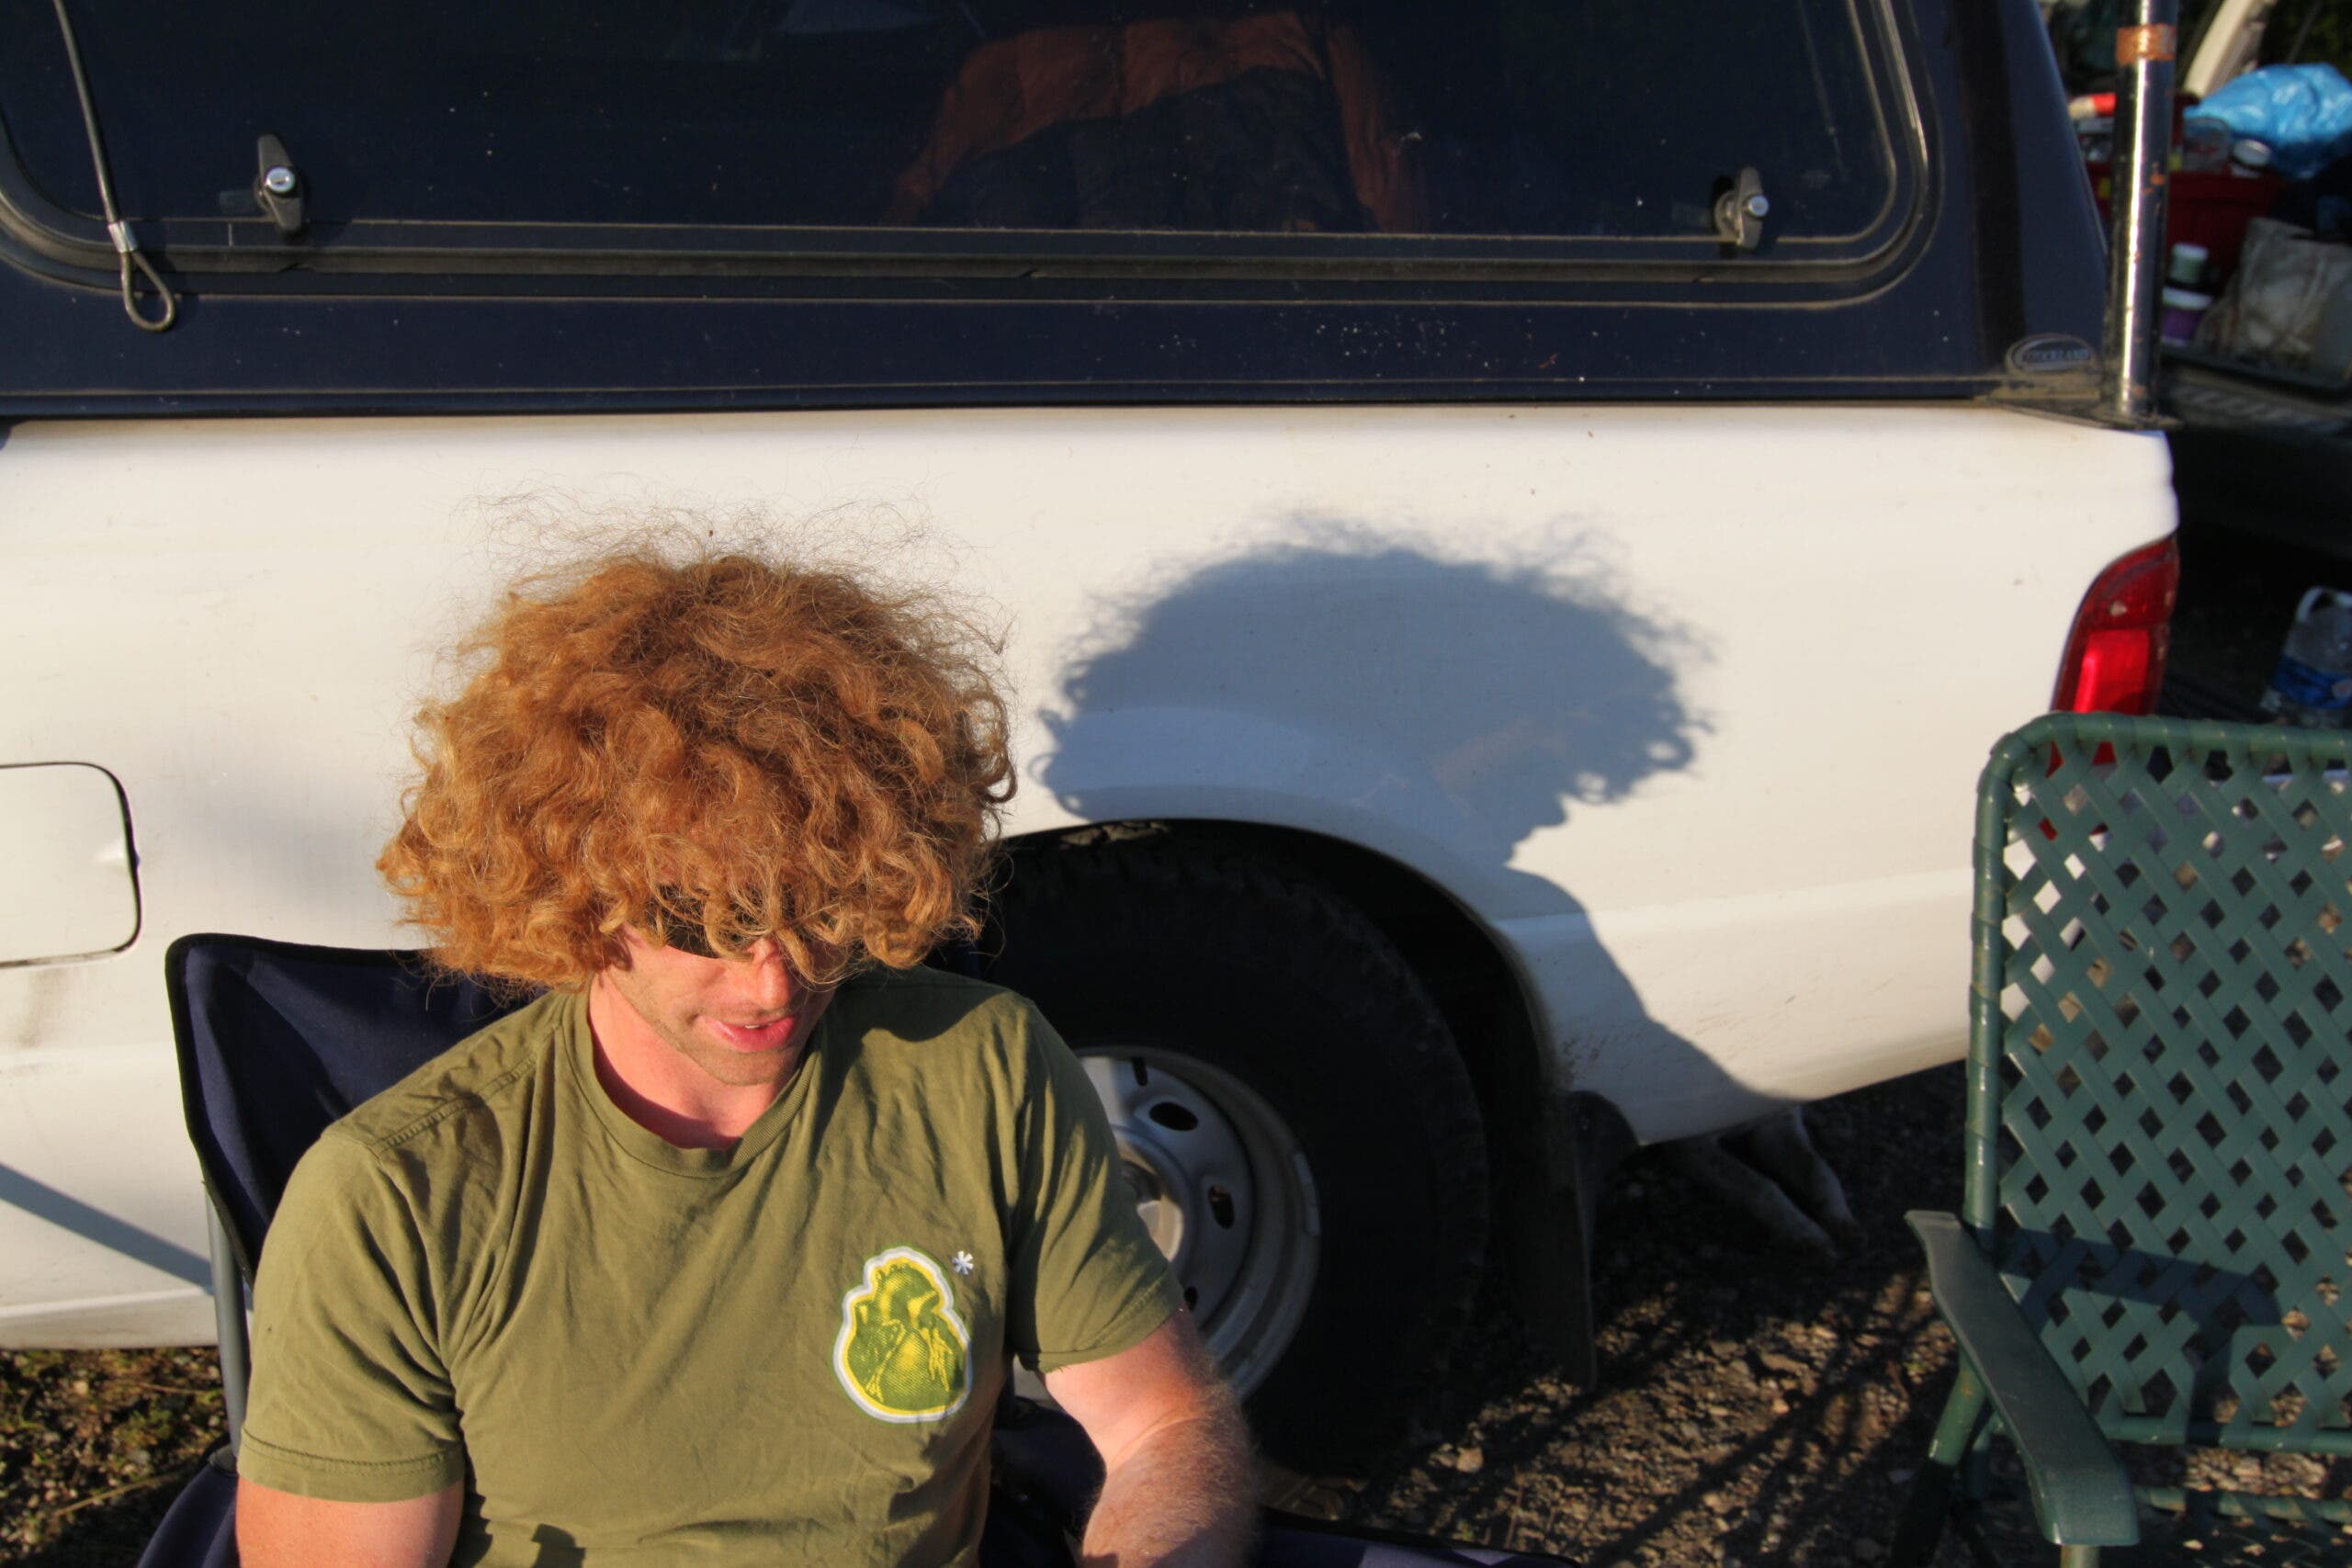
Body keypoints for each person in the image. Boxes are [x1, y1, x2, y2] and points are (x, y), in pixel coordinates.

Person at [232, 547, 1255, 1567]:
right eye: (697, 917)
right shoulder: (394, 1198)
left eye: (818, 907)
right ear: (575, 890)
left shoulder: (981, 1068)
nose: (773, 982)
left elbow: (1163, 1426)